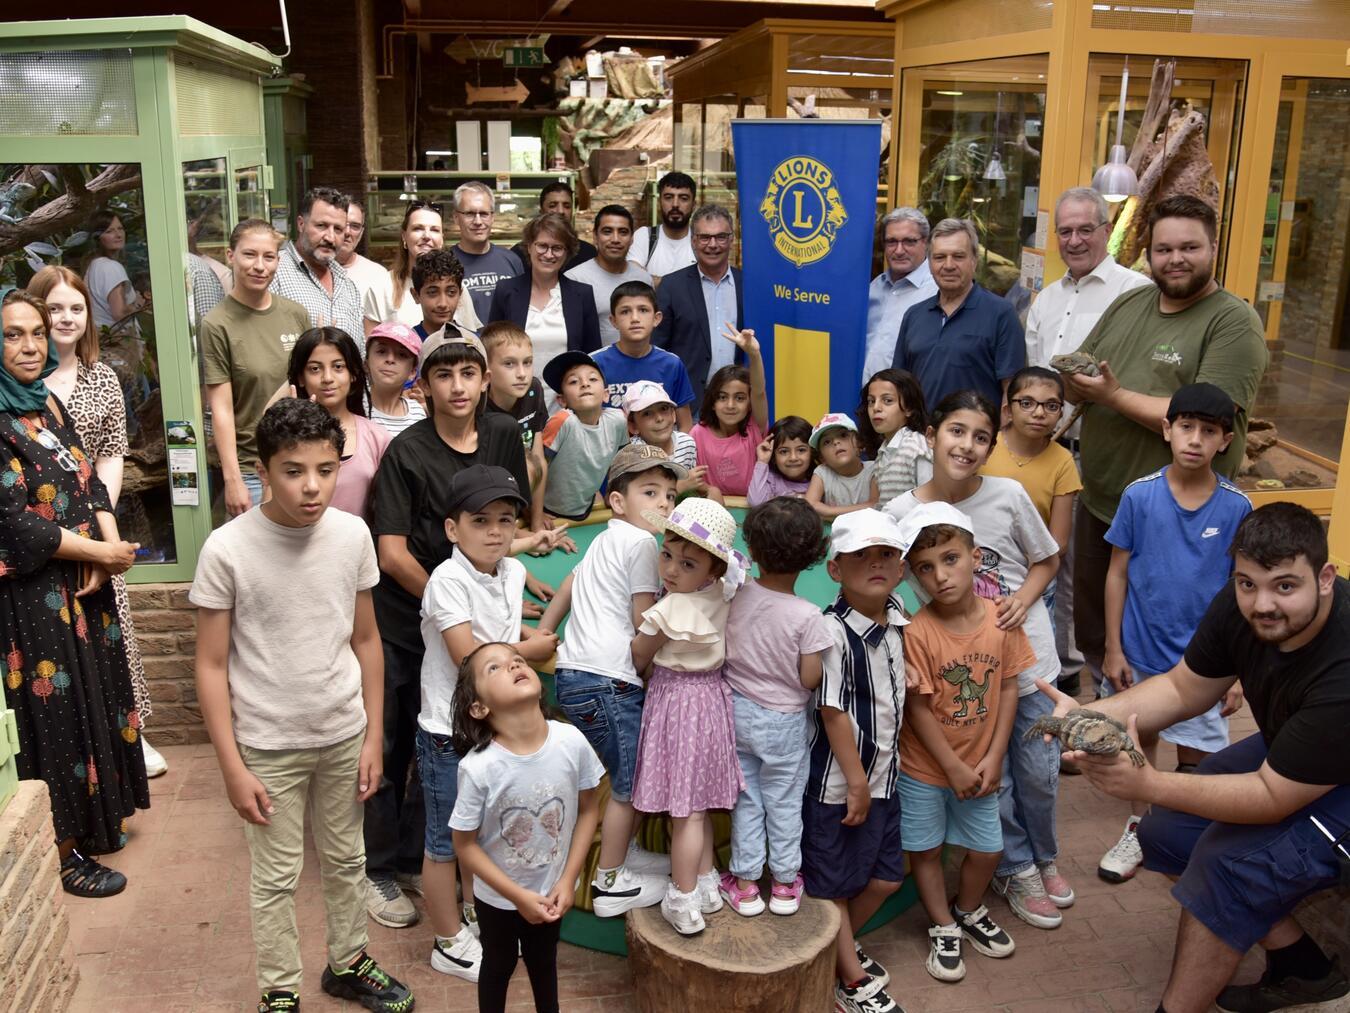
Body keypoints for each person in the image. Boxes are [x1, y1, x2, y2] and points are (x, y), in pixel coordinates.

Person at [1036, 503, 1350, 1013]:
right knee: (1169, 832)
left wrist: (1147, 784)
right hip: (1297, 747)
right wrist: (1091, 716)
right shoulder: (1242, 601)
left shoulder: (1343, 667)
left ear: (1326, 577)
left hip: (1332, 775)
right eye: (1248, 583)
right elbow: (1184, 688)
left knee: (1226, 866)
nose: (1262, 603)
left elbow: (1271, 797)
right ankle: (1304, 968)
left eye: (1285, 587)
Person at [191, 398, 412, 1013]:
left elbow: (366, 640)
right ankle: (280, 989)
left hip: (343, 733)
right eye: (293, 471)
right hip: (266, 744)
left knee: (347, 860)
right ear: (263, 469)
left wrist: (372, 738)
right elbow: (209, 666)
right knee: (276, 877)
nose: (312, 486)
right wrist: (232, 766)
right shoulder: (227, 549)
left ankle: (348, 963)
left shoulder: (352, 535)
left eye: (325, 468)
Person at [1065, 195, 1268, 705]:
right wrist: (1072, 382)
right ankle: (1115, 719)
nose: (1175, 258)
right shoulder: (1131, 302)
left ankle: (1190, 758)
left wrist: (1110, 395)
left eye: (1189, 247)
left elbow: (1207, 414)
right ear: (1148, 254)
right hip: (1102, 500)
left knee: (1183, 627)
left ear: (1213, 249)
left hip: (1183, 514)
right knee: (1098, 627)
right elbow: (1084, 371)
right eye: (1163, 249)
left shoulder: (1233, 321)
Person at [885, 391, 1068, 930]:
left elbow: (1048, 558)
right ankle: (1016, 868)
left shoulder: (1009, 494)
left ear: (993, 444)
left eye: (981, 436)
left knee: (1038, 772)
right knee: (996, 777)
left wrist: (1023, 597)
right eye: (956, 431)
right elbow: (886, 585)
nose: (966, 445)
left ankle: (1045, 855)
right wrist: (901, 646)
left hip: (1020, 655)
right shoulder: (900, 513)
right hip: (950, 664)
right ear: (932, 436)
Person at [367, 330, 530, 929]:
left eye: (468, 373)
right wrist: (454, 605)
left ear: (485, 380)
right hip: (408, 622)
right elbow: (392, 552)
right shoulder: (406, 452)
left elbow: (511, 518)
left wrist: (506, 576)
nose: (457, 386)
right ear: (423, 384)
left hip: (466, 620)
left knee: (449, 752)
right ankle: (379, 870)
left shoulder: (504, 434)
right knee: (395, 744)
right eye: (443, 375)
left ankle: (420, 858)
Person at [1, 289, 148, 897]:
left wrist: (109, 544)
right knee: (53, 715)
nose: (31, 344)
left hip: (84, 585)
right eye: (13, 334)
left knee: (94, 698)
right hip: (34, 599)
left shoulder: (49, 405)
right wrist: (98, 553)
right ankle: (63, 852)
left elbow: (85, 478)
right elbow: (14, 522)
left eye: (37, 332)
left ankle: (96, 822)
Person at [1097, 383, 1251, 884]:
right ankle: (1138, 830)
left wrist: (1237, 671)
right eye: (1186, 426)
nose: (1195, 439)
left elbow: (1240, 591)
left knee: (1200, 759)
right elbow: (1117, 572)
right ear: (1167, 429)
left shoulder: (1236, 507)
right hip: (1140, 651)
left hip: (1205, 663)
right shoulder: (1139, 496)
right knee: (1138, 739)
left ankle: (1188, 837)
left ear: (1225, 441)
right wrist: (1113, 647)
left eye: (1209, 431)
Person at [415, 466, 559, 983]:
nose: (496, 531)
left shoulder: (512, 572)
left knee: (481, 832)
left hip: (492, 729)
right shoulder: (446, 579)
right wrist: (530, 649)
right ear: (453, 529)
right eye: (480, 521)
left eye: (505, 519)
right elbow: (466, 654)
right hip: (446, 730)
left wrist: (522, 632)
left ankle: (474, 912)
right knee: (443, 841)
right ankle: (448, 941)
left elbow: (495, 627)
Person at [537, 443, 688, 917]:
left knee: (621, 772)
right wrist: (653, 665)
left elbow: (568, 585)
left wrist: (546, 629)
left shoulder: (603, 538)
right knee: (631, 780)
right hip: (610, 680)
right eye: (649, 492)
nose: (663, 503)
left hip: (574, 677)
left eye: (669, 494)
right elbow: (644, 618)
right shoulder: (644, 543)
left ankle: (620, 853)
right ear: (618, 501)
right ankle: (611, 884)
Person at [28, 266, 164, 778]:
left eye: (76, 308)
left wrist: (95, 521)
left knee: (113, 633)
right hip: (39, 533)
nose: (66, 318)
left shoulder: (102, 377)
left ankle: (132, 734)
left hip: (96, 524)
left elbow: (110, 454)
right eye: (55, 308)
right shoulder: (21, 378)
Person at [1024, 186, 1150, 696]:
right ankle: (1055, 663)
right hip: (1047, 450)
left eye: (1085, 230)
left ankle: (1087, 669)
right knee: (1046, 557)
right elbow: (1031, 372)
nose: (1075, 241)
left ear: (1105, 230)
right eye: (1065, 232)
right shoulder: (1046, 298)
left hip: (1103, 451)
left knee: (1089, 572)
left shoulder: (1134, 292)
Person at [897, 501, 1029, 983]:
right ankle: (943, 925)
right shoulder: (918, 632)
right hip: (925, 768)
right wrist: (950, 765)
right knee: (926, 852)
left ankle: (969, 908)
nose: (940, 577)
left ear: (976, 556)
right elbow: (918, 707)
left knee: (988, 850)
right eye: (925, 568)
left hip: (979, 766)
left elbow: (1011, 685)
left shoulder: (1001, 620)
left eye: (950, 559)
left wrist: (994, 757)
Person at [450, 642, 603, 1013]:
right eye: (495, 668)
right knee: (498, 965)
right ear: (479, 707)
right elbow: (464, 845)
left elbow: (589, 809)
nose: (514, 664)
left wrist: (568, 880)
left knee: (543, 963)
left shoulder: (570, 741)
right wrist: (517, 897)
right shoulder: (480, 768)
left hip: (553, 890)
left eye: (516, 659)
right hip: (498, 896)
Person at [805, 509, 909, 1013]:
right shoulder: (831, 632)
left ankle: (833, 948)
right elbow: (831, 710)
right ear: (835, 569)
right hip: (840, 786)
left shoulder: (899, 626)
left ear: (902, 567)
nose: (875, 564)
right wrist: (855, 781)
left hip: (887, 778)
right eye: (860, 556)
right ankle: (850, 978)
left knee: (887, 877)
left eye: (886, 554)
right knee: (834, 884)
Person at [630, 498, 747, 935]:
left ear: (713, 571)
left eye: (688, 563)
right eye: (667, 555)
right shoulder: (722, 595)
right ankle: (706, 883)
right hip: (712, 702)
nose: (672, 570)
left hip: (677, 704)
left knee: (686, 813)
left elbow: (639, 654)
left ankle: (681, 898)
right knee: (695, 802)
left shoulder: (668, 609)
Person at [720, 497, 831, 918]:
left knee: (747, 800)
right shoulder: (808, 616)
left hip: (736, 712)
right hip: (784, 723)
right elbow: (809, 679)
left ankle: (746, 883)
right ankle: (785, 883)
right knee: (784, 801)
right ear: (812, 557)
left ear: (754, 549)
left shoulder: (737, 596)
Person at [200, 219, 313, 516]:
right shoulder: (217, 323)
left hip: (299, 460)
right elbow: (221, 409)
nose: (260, 266)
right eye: (250, 254)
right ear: (230, 256)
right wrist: (232, 478)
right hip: (252, 467)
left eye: (269, 256)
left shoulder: (296, 315)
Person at [981, 367, 1081, 653]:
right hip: (980, 566)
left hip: (1033, 570)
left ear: (1061, 413)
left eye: (1051, 406)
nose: (1039, 413)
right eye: (1027, 403)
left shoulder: (1062, 461)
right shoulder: (985, 446)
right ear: (1008, 409)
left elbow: (1059, 542)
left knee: (1032, 650)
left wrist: (1023, 563)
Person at [892, 217, 1025, 410]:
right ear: (929, 264)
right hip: (920, 437)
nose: (948, 265)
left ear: (974, 261)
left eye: (958, 256)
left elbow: (1012, 392)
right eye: (939, 257)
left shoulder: (1001, 314)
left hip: (973, 437)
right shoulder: (914, 315)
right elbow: (900, 386)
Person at [488, 213, 602, 406]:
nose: (549, 254)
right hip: (514, 405)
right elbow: (491, 351)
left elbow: (591, 357)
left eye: (557, 248)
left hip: (567, 406)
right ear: (529, 246)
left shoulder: (582, 295)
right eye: (542, 245)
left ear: (567, 253)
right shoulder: (506, 291)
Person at [286, 327, 390, 521]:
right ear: (301, 377)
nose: (327, 378)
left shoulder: (378, 438)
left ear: (353, 374)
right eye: (315, 369)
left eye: (338, 367)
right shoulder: (285, 435)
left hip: (357, 547)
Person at [653, 205, 744, 406]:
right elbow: (658, 349)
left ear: (731, 240)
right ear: (693, 241)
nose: (713, 244)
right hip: (689, 401)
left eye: (721, 237)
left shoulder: (748, 285)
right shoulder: (671, 286)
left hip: (739, 401)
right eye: (704, 237)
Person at [540, 351, 629, 522]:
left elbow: (620, 463)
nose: (584, 384)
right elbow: (536, 468)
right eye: (574, 381)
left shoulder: (617, 420)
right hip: (548, 511)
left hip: (586, 507)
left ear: (605, 394)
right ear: (562, 400)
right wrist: (533, 513)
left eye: (593, 379)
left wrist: (612, 490)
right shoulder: (563, 421)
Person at [593, 280, 695, 428]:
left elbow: (685, 425)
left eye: (643, 310)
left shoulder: (672, 364)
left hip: (662, 450)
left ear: (656, 318)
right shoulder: (594, 363)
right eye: (625, 311)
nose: (635, 318)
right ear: (613, 321)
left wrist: (676, 451)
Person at [269, 186, 364, 345]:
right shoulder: (274, 272)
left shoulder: (348, 286)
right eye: (321, 226)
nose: (330, 237)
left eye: (338, 229)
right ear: (301, 224)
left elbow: (360, 351)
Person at [483, 321, 551, 530]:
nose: (522, 373)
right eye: (509, 364)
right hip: (485, 490)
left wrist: (537, 526)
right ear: (487, 370)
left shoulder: (534, 389)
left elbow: (539, 460)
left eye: (528, 362)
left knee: (532, 463)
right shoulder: (479, 403)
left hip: (523, 485)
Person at [690, 326, 768, 499]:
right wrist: (710, 491)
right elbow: (691, 478)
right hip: (713, 511)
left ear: (750, 404)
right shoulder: (697, 433)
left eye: (740, 398)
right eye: (722, 397)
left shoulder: (754, 427)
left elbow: (759, 391)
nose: (730, 405)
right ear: (712, 402)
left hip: (754, 510)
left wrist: (754, 355)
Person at [862, 208, 936, 385]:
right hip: (864, 400)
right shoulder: (874, 288)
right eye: (891, 242)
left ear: (925, 243)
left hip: (908, 402)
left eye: (909, 242)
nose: (899, 250)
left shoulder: (936, 292)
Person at [566, 205, 652, 345]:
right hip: (592, 364)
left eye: (623, 232)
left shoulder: (643, 279)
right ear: (595, 237)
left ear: (632, 239)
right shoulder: (575, 279)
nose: (615, 239)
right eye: (607, 232)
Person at [363, 200, 445, 336]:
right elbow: (372, 349)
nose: (426, 236)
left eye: (434, 230)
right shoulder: (380, 287)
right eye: (418, 228)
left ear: (442, 240)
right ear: (404, 237)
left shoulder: (455, 287)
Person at [451, 181, 524, 326]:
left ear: (492, 217)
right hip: (464, 347)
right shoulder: (447, 262)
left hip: (506, 346)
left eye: (484, 214)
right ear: (456, 218)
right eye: (470, 213)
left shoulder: (511, 260)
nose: (478, 221)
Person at [860, 368, 932, 506]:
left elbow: (931, 503)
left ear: (909, 408)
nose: (876, 408)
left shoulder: (917, 446)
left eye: (887, 400)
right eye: (871, 401)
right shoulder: (882, 453)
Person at [622, 380, 707, 496]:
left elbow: (692, 486)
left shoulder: (687, 443)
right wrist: (679, 486)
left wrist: (706, 489)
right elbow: (640, 499)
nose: (659, 418)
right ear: (633, 425)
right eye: (647, 413)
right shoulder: (634, 453)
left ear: (673, 415)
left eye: (664, 409)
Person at [84, 210, 148, 336]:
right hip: (119, 340)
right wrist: (138, 303)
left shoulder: (93, 265)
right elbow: (119, 313)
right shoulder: (111, 267)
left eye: (120, 229)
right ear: (98, 238)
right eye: (109, 231)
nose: (118, 235)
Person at [510, 180, 598, 272]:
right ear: (541, 211)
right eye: (552, 205)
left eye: (566, 206)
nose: (560, 211)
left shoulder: (588, 253)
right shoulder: (518, 254)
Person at [805, 413, 878, 518]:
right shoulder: (822, 472)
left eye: (843, 435)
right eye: (827, 442)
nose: (836, 442)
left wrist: (828, 511)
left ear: (859, 444)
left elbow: (875, 505)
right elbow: (810, 506)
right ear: (822, 458)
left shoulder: (874, 469)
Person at [627, 171, 698, 280]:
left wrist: (654, 281)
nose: (675, 204)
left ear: (693, 205)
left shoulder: (702, 241)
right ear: (660, 202)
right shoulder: (645, 236)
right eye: (668, 197)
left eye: (683, 198)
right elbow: (633, 276)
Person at [364, 321, 426, 439]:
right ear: (366, 363)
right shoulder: (354, 406)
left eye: (402, 355)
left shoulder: (417, 413)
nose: (390, 359)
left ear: (413, 372)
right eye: (381, 351)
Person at [747, 415, 814, 506]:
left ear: (812, 452)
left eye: (801, 450)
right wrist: (762, 461)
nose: (793, 458)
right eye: (784, 451)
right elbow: (756, 502)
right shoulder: (772, 480)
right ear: (774, 457)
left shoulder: (820, 479)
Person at [336, 197, 390, 306]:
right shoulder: (309, 270)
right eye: (341, 223)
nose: (347, 232)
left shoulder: (378, 275)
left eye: (355, 226)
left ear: (361, 233)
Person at [408, 249, 467, 344]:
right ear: (416, 295)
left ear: (460, 294)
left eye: (451, 292)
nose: (443, 304)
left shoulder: (472, 343)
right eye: (432, 292)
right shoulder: (407, 346)